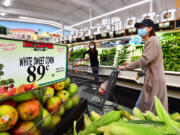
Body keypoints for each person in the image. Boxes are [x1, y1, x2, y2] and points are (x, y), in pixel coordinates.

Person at [119, 19, 168, 113]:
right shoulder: (151, 41)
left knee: (145, 108)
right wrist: (129, 64)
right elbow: (147, 61)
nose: (139, 29)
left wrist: (124, 68)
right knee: (151, 108)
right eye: (139, 27)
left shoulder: (152, 41)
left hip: (154, 80)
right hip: (152, 79)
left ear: (150, 28)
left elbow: (144, 60)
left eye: (142, 27)